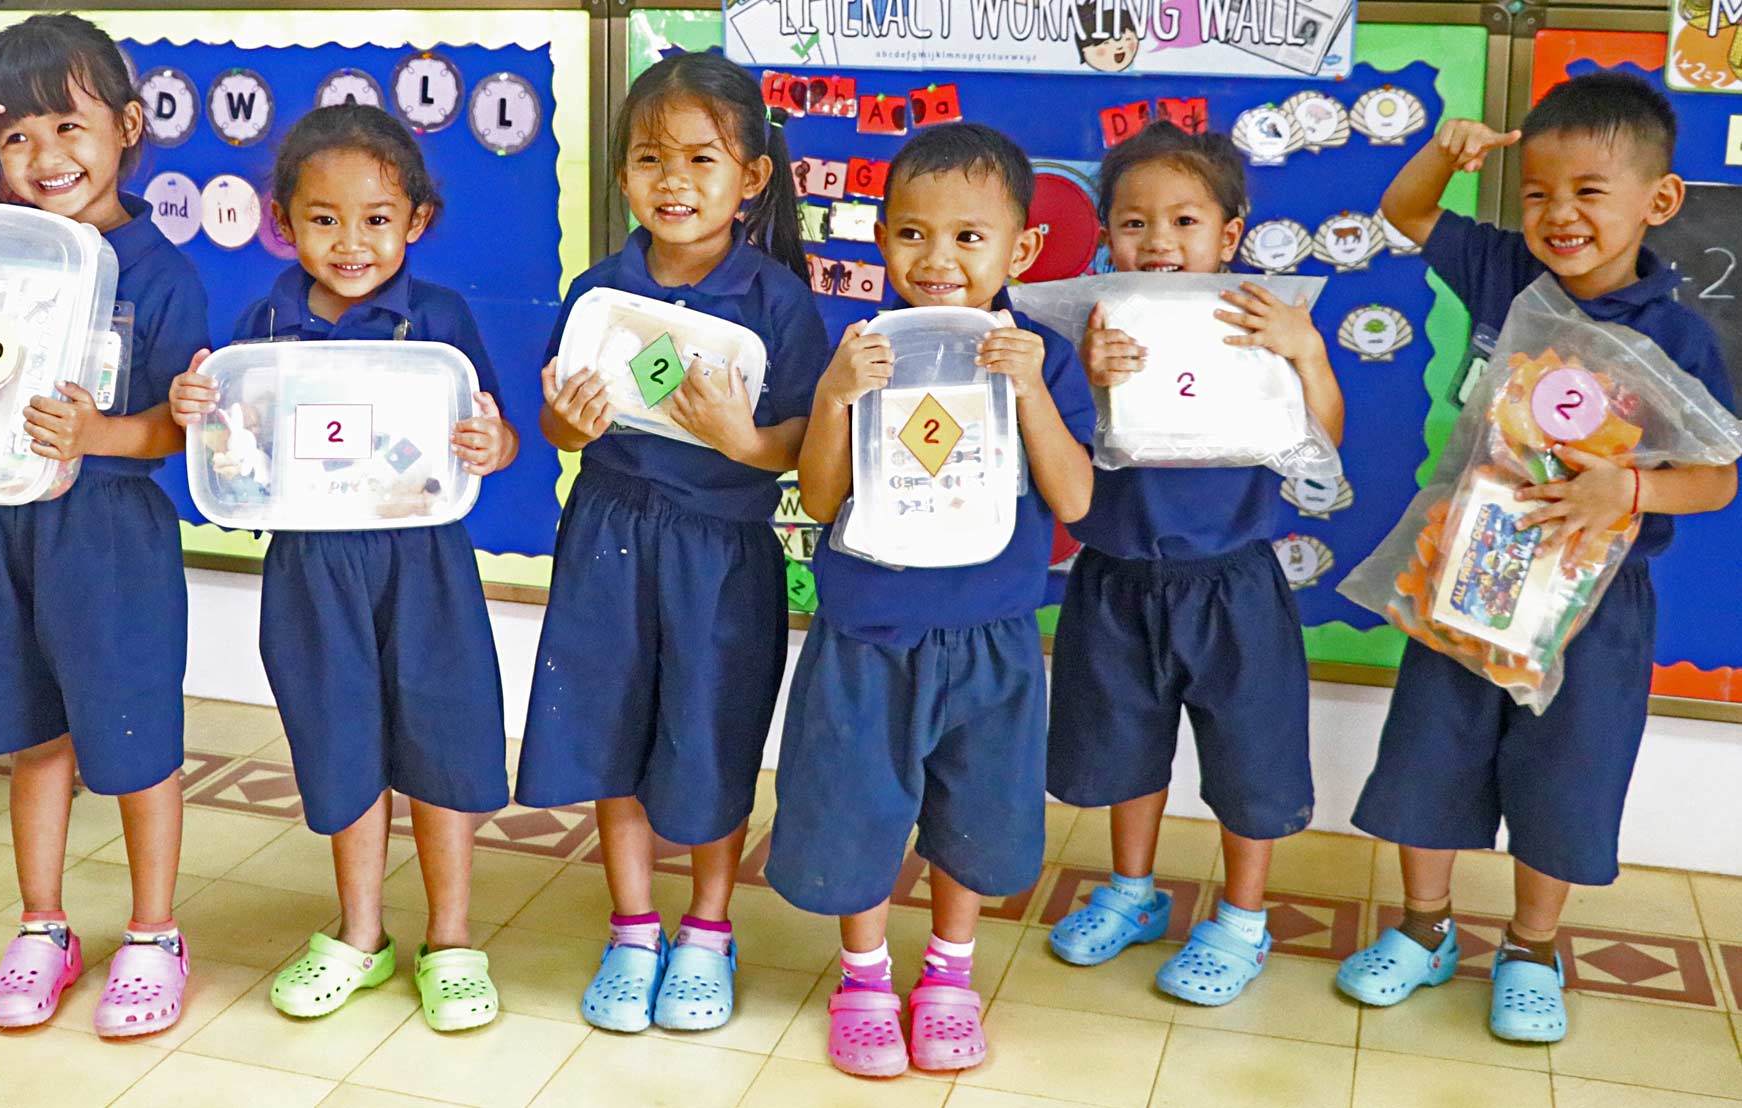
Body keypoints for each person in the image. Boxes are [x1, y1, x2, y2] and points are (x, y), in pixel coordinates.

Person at [1337, 72, 1736, 1043]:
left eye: (1588, 192)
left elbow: (1717, 475)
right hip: (1463, 580)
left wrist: (1631, 488)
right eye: (1538, 193)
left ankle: (1528, 945)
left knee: (1567, 779)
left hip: (1593, 609)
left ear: (1659, 200)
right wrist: (1446, 152)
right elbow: (1403, 209)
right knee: (1428, 759)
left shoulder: (1677, 335)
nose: (1558, 215)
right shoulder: (1503, 272)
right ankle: (1424, 927)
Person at [0, 13, 209, 1037]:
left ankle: (154, 933)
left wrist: (96, 432)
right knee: (37, 735)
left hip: (110, 539)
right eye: (17, 135)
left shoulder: (160, 270)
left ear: (125, 126)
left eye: (67, 127)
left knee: (136, 739)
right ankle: (44, 925)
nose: (44, 156)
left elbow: (165, 433)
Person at [169, 105, 518, 1033]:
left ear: (417, 222)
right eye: (324, 218)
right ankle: (362, 936)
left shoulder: (438, 320)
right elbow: (238, 452)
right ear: (283, 222)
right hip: (313, 573)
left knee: (441, 747)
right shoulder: (265, 323)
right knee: (341, 746)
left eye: (376, 218)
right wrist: (201, 408)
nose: (352, 241)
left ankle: (451, 942)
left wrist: (492, 440)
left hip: (424, 563)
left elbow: (495, 438)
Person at [767, 122, 1096, 1077]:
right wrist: (832, 398)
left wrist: (1030, 389)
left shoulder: (1044, 358)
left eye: (968, 237)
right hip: (867, 633)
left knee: (977, 810)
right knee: (854, 804)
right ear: (881, 238)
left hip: (990, 638)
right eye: (912, 234)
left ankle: (949, 975)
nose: (938, 259)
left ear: (1020, 250)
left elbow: (1074, 499)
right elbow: (822, 501)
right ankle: (864, 976)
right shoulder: (861, 352)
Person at [512, 50, 825, 1034]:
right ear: (622, 174)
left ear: (752, 178)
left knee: (709, 733)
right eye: (650, 158)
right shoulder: (596, 293)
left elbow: (808, 444)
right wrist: (568, 420)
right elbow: (564, 428)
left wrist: (745, 441)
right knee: (611, 730)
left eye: (700, 158)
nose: (674, 181)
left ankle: (705, 929)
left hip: (722, 552)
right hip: (607, 536)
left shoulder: (777, 302)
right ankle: (635, 925)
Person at [1045, 120, 1344, 1007]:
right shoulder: (1091, 327)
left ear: (1231, 233)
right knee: (1122, 748)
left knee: (1252, 762)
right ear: (1107, 236)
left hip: (1234, 583)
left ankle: (1244, 919)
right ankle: (1133, 892)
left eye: (1184, 221)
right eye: (1134, 223)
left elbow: (1322, 443)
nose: (1159, 242)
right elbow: (1062, 448)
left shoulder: (1263, 319)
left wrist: (1308, 350)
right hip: (1117, 576)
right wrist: (1089, 376)